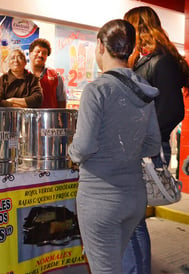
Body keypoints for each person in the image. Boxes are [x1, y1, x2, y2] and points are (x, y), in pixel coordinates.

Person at [68, 19, 161, 274]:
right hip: (134, 197)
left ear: (100, 46)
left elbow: (84, 146)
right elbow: (153, 144)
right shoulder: (145, 92)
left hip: (101, 199)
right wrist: (125, 151)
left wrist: (71, 152)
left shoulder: (97, 90)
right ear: (131, 50)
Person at [123, 6, 189, 273]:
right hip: (141, 147)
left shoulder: (160, 61)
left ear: (138, 27)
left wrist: (147, 141)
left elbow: (173, 110)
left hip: (146, 150)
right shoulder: (145, 60)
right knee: (135, 221)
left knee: (133, 221)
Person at [28, 38, 67, 108]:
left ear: (46, 56)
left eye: (44, 53)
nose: (40, 55)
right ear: (30, 53)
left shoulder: (56, 76)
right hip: (26, 118)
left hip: (50, 118)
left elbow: (62, 101)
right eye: (37, 51)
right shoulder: (21, 74)